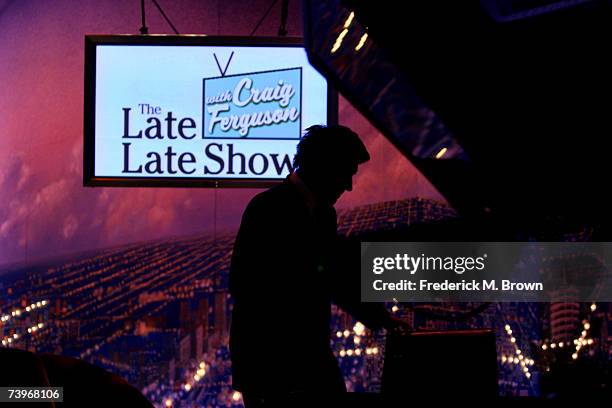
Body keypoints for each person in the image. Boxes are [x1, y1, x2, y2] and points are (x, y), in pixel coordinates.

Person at [229, 125, 410, 407]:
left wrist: (380, 319)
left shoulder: (322, 213)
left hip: (301, 357)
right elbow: (244, 284)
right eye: (346, 173)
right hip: (272, 363)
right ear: (325, 166)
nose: (349, 186)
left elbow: (329, 275)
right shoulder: (268, 208)